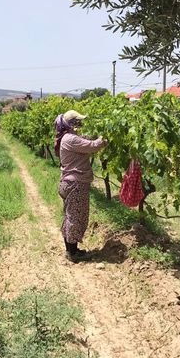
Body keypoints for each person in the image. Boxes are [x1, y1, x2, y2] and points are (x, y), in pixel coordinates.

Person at [55, 110, 107, 263]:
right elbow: (92, 145)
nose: (81, 124)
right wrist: (105, 138)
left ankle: (71, 250)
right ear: (72, 123)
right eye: (78, 121)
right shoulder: (70, 139)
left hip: (68, 183)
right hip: (75, 184)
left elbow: (85, 140)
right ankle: (73, 254)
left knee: (71, 217)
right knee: (75, 218)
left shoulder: (68, 137)